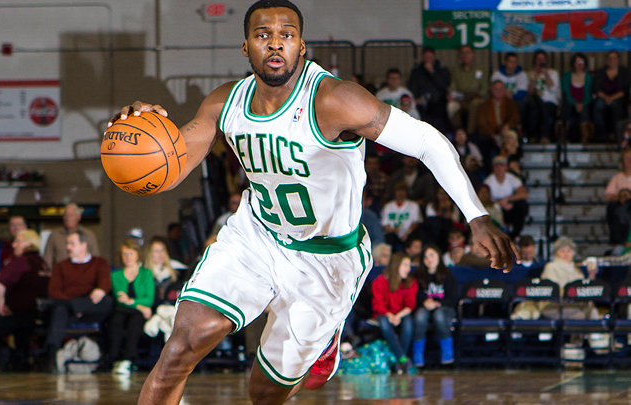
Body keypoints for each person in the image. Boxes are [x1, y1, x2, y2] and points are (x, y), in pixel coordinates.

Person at [109, 1, 517, 402]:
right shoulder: (225, 102)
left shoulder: (335, 100)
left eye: (286, 35)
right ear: (246, 46)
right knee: (180, 348)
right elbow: (169, 167)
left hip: (327, 261)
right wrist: (143, 134)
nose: (275, 44)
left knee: (264, 395)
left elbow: (427, 142)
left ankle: (327, 335)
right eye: (262, 35)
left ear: (301, 46)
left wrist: (477, 216)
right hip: (257, 237)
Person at [44, 229, 113, 372]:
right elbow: (53, 291)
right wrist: (75, 306)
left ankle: (72, 306)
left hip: (91, 309)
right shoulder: (60, 266)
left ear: (84, 245)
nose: (67, 247)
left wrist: (99, 291)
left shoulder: (99, 262)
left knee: (106, 301)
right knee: (60, 309)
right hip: (69, 312)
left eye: (72, 243)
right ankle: (52, 354)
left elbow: (105, 284)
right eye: (67, 243)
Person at [0, 229, 49, 371]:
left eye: (18, 241)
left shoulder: (22, 262)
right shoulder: (42, 263)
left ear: (29, 243)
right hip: (38, 315)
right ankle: (17, 357)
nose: (13, 244)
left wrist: (0, 305)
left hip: (19, 315)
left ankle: (6, 357)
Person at [108, 240, 155, 375]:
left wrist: (131, 302)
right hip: (122, 309)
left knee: (135, 322)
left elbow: (149, 299)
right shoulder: (115, 275)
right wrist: (139, 306)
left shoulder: (146, 273)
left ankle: (129, 358)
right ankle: (114, 358)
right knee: (116, 320)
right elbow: (120, 299)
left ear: (137, 255)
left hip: (137, 312)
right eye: (124, 254)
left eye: (130, 253)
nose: (127, 256)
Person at [412, 245, 458, 367]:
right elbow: (415, 293)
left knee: (439, 315)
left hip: (445, 308)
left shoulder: (447, 274)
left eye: (432, 255)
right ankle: (417, 355)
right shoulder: (418, 274)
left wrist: (439, 303)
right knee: (420, 316)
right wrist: (424, 301)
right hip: (425, 307)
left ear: (439, 257)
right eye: (426, 257)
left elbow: (453, 298)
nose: (429, 259)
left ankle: (447, 354)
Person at [371, 252, 417, 373]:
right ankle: (403, 358)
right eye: (405, 265)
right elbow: (378, 304)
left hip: (402, 314)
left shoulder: (410, 282)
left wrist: (398, 316)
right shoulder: (380, 281)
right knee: (384, 324)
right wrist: (390, 315)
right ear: (396, 265)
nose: (409, 269)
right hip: (385, 313)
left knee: (408, 324)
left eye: (409, 265)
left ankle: (398, 361)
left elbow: (410, 305)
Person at [408, 46, 452, 134]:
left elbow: (443, 85)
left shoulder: (442, 70)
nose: (428, 59)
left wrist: (432, 72)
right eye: (426, 57)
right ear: (422, 58)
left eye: (430, 57)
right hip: (422, 103)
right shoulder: (416, 72)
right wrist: (416, 98)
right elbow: (412, 87)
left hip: (439, 102)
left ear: (434, 57)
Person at [483, 156, 529, 238]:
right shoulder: (488, 181)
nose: (499, 169)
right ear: (494, 168)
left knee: (522, 205)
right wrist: (500, 203)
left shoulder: (512, 178)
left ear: (506, 167)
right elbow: (484, 198)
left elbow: (524, 194)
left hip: (508, 206)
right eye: (497, 166)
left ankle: (515, 234)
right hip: (495, 208)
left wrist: (507, 199)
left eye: (502, 166)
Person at [43, 203, 100, 268]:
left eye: (71, 215)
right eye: (65, 215)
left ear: (78, 217)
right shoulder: (54, 236)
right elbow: (47, 261)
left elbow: (96, 260)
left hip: (83, 274)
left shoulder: (89, 235)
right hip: (60, 274)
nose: (68, 218)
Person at [447, 45, 488, 134]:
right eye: (463, 53)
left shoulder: (481, 69)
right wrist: (451, 95)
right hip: (461, 98)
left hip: (476, 98)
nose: (465, 55)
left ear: (472, 54)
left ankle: (470, 133)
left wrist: (478, 94)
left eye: (468, 53)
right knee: (451, 106)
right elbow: (453, 87)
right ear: (460, 56)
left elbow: (484, 89)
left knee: (475, 104)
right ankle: (458, 132)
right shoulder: (456, 71)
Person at [476, 81, 520, 160]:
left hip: (506, 132)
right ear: (492, 90)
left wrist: (507, 126)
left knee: (511, 136)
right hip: (490, 134)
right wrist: (492, 134)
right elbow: (482, 122)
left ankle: (511, 161)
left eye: (501, 89)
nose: (499, 91)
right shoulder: (484, 105)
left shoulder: (511, 104)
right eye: (496, 89)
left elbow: (515, 117)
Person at [593, 51, 630, 140]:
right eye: (610, 58)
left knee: (617, 106)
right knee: (598, 105)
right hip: (603, 98)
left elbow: (625, 90)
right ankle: (601, 134)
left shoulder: (625, 73)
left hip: (619, 98)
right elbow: (597, 89)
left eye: (614, 58)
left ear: (618, 60)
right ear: (607, 60)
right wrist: (606, 98)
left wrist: (611, 98)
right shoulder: (601, 72)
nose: (612, 61)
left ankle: (616, 134)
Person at [525, 50, 560, 143]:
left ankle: (543, 136)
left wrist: (546, 74)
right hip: (535, 102)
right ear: (534, 61)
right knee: (535, 107)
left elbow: (553, 89)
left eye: (543, 59)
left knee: (543, 107)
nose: (541, 62)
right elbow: (529, 92)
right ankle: (534, 136)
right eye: (538, 59)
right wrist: (535, 76)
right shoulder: (529, 74)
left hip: (549, 102)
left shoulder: (553, 73)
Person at [561, 53, 594, 143]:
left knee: (585, 112)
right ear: (573, 63)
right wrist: (575, 104)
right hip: (570, 102)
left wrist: (581, 104)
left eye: (581, 62)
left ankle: (585, 138)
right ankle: (564, 137)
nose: (579, 64)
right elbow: (566, 93)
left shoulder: (588, 77)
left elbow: (589, 95)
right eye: (577, 62)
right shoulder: (567, 76)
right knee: (566, 109)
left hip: (584, 103)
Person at [381, 181, 423, 247]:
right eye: (398, 190)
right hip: (393, 234)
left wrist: (408, 232)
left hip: (408, 234)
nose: (400, 193)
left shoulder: (414, 205)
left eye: (403, 190)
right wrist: (393, 230)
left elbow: (416, 222)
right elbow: (384, 224)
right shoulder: (388, 206)